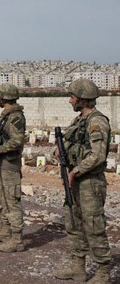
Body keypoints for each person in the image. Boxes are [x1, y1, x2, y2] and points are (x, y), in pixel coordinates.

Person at [52, 78, 112, 283]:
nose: (70, 101)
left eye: (72, 97)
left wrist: (75, 171)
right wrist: (58, 151)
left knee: (93, 226)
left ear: (83, 100)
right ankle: (78, 267)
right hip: (75, 179)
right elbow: (69, 143)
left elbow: (97, 156)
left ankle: (103, 272)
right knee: (73, 222)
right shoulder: (79, 121)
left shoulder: (97, 122)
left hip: (89, 182)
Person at [0, 83, 26, 252]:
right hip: (1, 161)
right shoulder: (5, 117)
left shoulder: (16, 117)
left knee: (12, 199)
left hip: (9, 162)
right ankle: (6, 229)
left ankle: (17, 239)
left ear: (4, 98)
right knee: (2, 198)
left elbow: (16, 141)